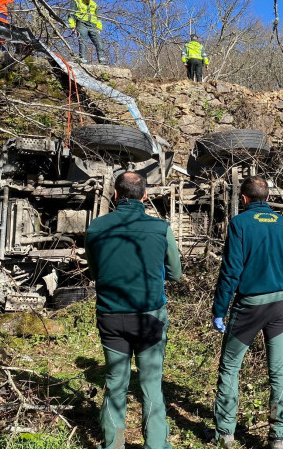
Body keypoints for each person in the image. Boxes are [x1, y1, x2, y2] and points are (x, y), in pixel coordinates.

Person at [209, 176, 283, 449]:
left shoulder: (239, 224)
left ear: (243, 199)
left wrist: (219, 310)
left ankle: (225, 433)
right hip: (278, 307)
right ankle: (279, 435)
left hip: (248, 308)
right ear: (267, 197)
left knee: (230, 368)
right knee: (278, 372)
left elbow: (230, 272)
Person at [85, 171, 182, 449]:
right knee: (151, 383)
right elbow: (174, 273)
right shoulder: (160, 228)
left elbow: (95, 271)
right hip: (149, 316)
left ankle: (114, 444)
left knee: (116, 383)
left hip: (111, 315)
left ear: (115, 195)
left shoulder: (96, 227)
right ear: (145, 195)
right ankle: (156, 445)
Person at [68, 0, 106, 64]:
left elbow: (98, 17)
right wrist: (73, 27)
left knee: (99, 43)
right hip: (81, 24)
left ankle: (102, 61)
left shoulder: (94, 4)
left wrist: (99, 28)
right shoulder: (76, 2)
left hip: (93, 26)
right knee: (83, 42)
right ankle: (83, 61)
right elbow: (71, 15)